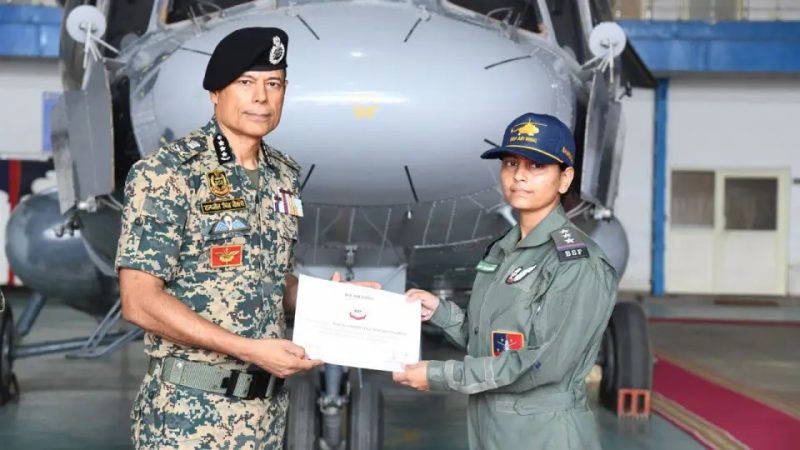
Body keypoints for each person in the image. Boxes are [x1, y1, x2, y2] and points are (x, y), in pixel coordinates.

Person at [116, 27, 333, 449]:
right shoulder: (168, 173)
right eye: (246, 82)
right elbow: (138, 300)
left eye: (274, 84)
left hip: (265, 417)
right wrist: (248, 349)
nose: (262, 98)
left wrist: (335, 302)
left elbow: (272, 280)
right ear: (215, 92)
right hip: (188, 416)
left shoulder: (283, 175)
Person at [393, 112, 618, 450]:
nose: (519, 176)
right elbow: (490, 342)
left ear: (565, 178)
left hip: (546, 435)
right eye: (511, 163)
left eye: (537, 166)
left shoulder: (576, 263)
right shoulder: (504, 250)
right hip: (492, 430)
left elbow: (543, 365)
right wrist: (439, 311)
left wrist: (441, 375)